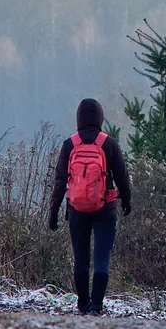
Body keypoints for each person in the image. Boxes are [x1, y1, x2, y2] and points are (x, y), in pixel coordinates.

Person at [48, 97, 132, 314]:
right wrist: (126, 200)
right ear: (100, 118)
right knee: (101, 258)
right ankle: (96, 305)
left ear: (78, 118)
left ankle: (82, 304)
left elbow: (60, 182)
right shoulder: (108, 143)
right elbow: (122, 176)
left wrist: (53, 212)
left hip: (76, 209)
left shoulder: (70, 144)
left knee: (81, 258)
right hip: (105, 208)